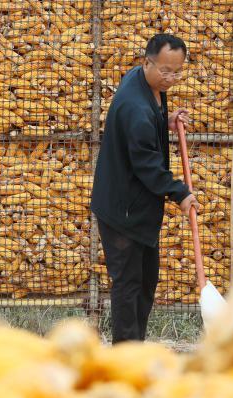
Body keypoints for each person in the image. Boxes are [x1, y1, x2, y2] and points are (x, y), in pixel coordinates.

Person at [91, 33, 201, 343]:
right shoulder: (136, 108)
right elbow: (147, 165)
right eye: (165, 71)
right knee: (128, 284)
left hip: (138, 206)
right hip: (122, 209)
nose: (170, 78)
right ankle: (126, 354)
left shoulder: (146, 84)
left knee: (146, 280)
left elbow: (147, 123)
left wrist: (166, 120)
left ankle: (135, 347)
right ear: (147, 62)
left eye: (177, 72)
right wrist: (180, 193)